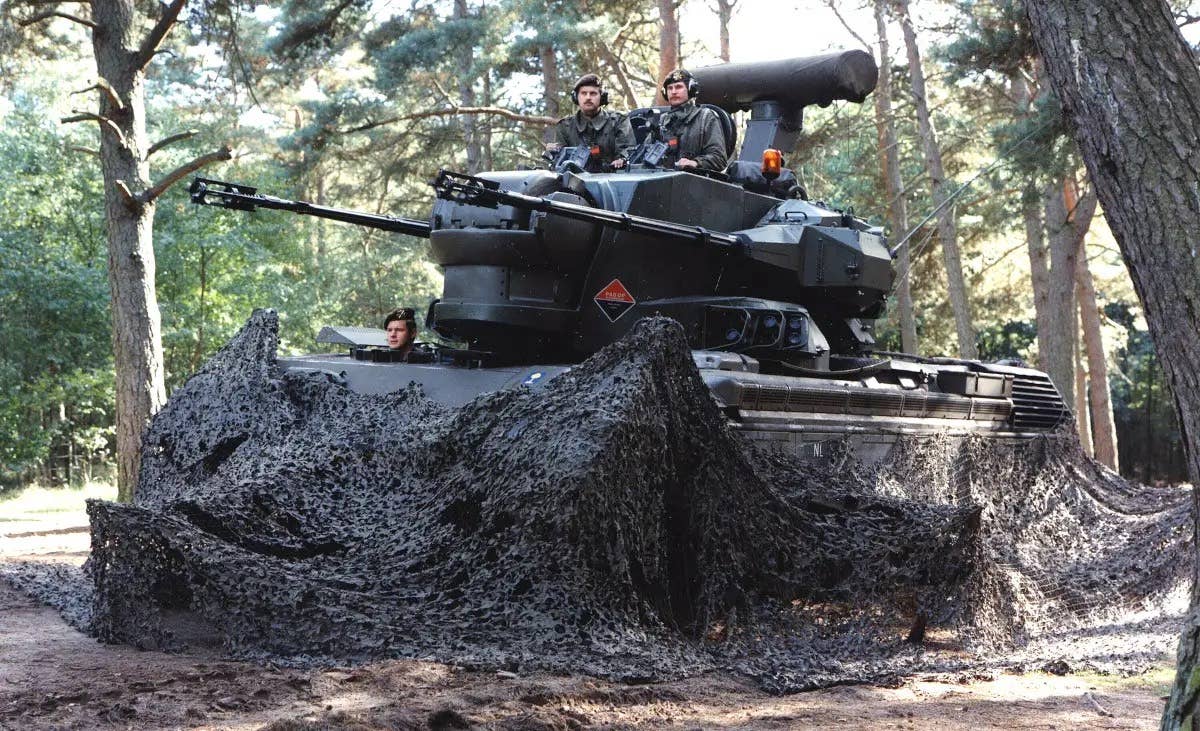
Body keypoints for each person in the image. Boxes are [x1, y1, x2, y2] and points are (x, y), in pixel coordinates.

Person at [548, 73, 635, 172]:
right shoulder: (565, 127)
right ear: (576, 97)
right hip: (576, 183)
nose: (588, 97)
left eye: (593, 93)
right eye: (584, 93)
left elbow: (628, 151)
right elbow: (559, 161)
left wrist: (621, 160)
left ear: (602, 97)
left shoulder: (618, 121)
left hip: (614, 180)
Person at [659, 68, 728, 173]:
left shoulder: (705, 117)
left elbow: (719, 159)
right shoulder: (662, 121)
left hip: (696, 182)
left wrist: (695, 163)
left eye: (678, 87)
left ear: (691, 89)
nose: (673, 92)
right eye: (669, 88)